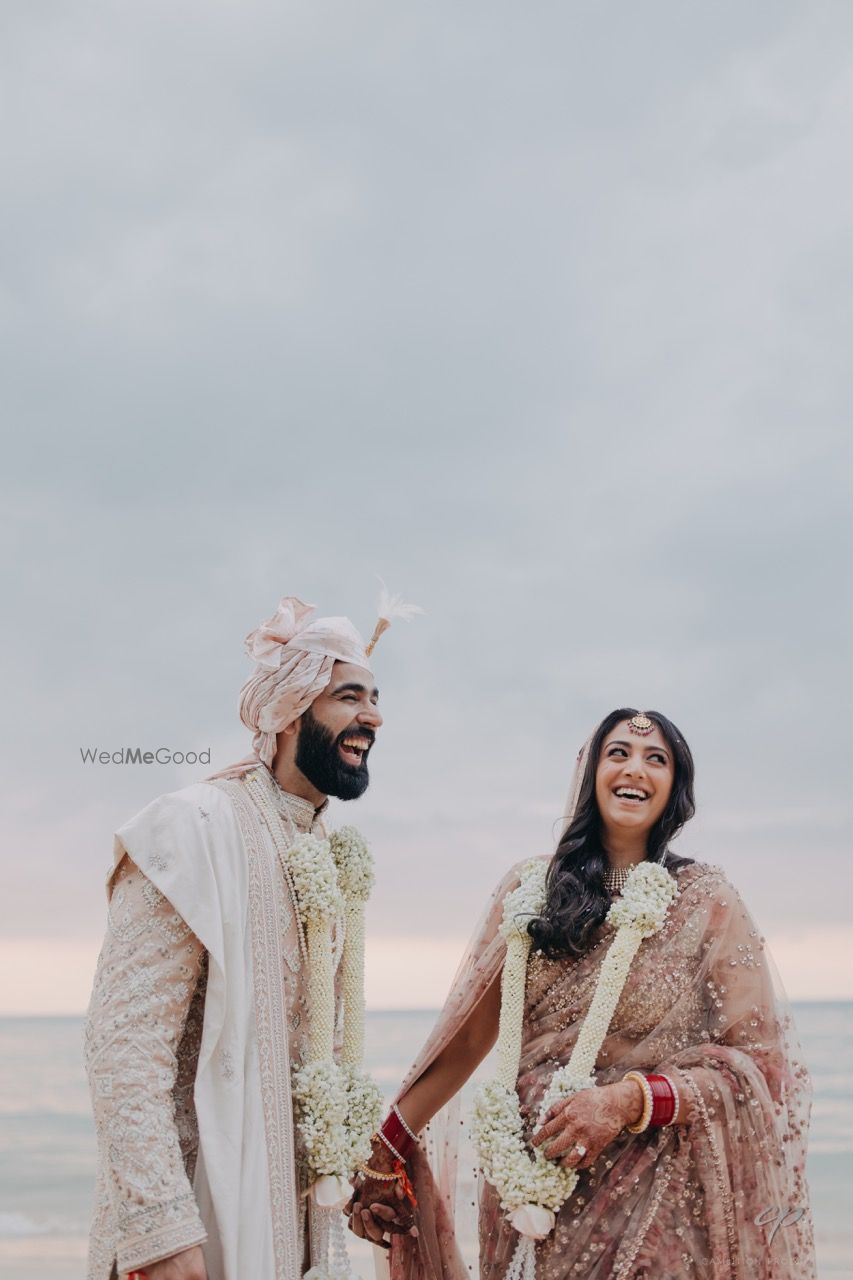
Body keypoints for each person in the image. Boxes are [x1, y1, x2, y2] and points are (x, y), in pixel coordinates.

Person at [348, 708, 816, 1279]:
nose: (634, 768)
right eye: (617, 753)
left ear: (676, 788)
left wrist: (627, 1102)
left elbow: (758, 1070)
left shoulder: (706, 901)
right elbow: (469, 1036)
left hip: (656, 1196)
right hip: (531, 1188)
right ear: (590, 772)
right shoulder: (529, 890)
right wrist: (384, 1149)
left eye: (656, 758)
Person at [84, 591, 418, 1280]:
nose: (374, 717)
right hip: (196, 1226)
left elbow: (308, 1057)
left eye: (375, 698)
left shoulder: (322, 850)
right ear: (290, 709)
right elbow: (124, 1044)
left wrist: (353, 1171)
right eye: (349, 697)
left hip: (291, 1225)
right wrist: (160, 1234)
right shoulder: (194, 827)